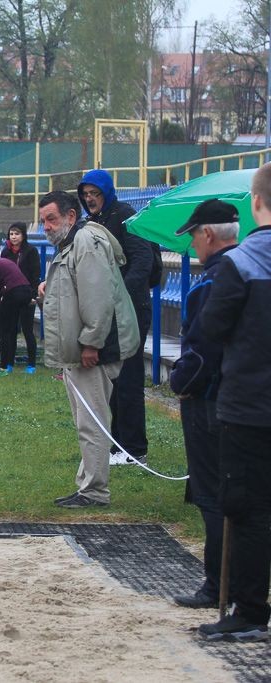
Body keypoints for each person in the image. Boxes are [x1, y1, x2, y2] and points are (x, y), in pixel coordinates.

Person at [196, 164, 271, 642]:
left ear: (255, 202)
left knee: (247, 508)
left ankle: (250, 610)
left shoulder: (241, 262)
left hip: (250, 405)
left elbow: (212, 329)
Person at [38, 191, 138, 509]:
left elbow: (97, 297)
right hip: (83, 348)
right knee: (86, 419)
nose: (46, 227)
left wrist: (92, 343)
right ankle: (87, 484)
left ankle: (95, 491)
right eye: (43, 221)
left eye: (51, 219)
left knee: (92, 421)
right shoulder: (73, 241)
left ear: (70, 216)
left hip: (97, 349)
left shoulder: (86, 242)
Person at [168, 199, 239, 611]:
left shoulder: (212, 282)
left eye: (194, 236)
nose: (193, 244)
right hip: (244, 398)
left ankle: (217, 585)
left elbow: (201, 349)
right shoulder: (251, 272)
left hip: (209, 400)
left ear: (208, 234)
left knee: (211, 494)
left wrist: (180, 383)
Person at [79, 169, 156, 466]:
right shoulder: (93, 221)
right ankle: (118, 444)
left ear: (107, 192)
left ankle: (135, 449)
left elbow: (143, 261)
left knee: (130, 378)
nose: (90, 199)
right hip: (108, 311)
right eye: (86, 195)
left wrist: (118, 295)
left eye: (95, 194)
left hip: (131, 309)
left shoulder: (125, 216)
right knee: (113, 379)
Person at [0, 257, 33, 375]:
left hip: (14, 292)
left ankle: (3, 367)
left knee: (5, 330)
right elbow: (3, 283)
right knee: (11, 328)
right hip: (27, 291)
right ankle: (9, 364)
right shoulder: (1, 263)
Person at [0, 222, 40, 373]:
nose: (14, 237)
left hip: (26, 295)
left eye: (17, 234)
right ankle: (9, 363)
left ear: (23, 235)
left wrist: (33, 295)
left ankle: (31, 364)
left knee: (27, 330)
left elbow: (35, 275)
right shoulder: (5, 252)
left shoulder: (31, 251)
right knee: (10, 331)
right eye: (11, 234)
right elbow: (1, 275)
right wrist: (0, 295)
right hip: (10, 296)